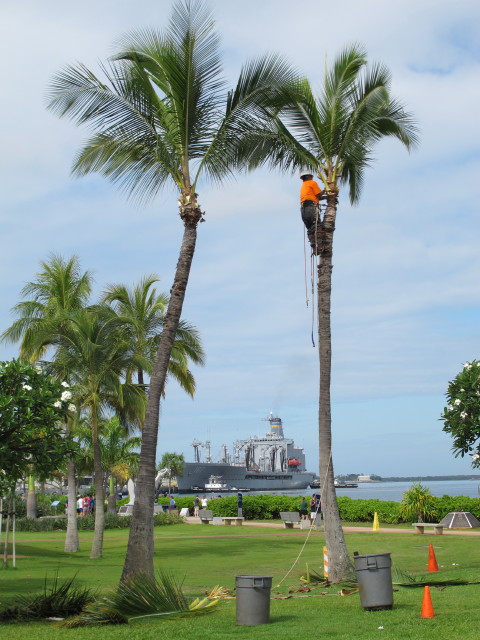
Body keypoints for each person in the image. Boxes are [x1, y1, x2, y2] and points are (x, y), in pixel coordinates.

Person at [299, 169, 325, 235]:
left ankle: (313, 242)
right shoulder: (312, 182)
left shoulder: (303, 186)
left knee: (310, 230)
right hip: (311, 208)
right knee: (317, 227)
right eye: (311, 176)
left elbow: (316, 197)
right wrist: (326, 192)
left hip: (303, 210)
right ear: (308, 176)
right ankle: (319, 241)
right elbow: (319, 195)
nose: (312, 178)